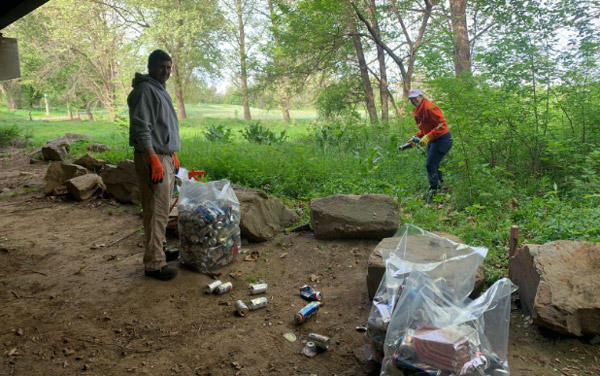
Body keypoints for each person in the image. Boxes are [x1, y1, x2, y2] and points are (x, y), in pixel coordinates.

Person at [128, 49, 181, 281]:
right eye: (162, 67)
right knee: (155, 211)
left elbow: (163, 127)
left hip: (164, 155)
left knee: (162, 208)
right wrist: (153, 159)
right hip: (153, 157)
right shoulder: (144, 90)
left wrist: (172, 154)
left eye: (169, 67)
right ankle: (154, 264)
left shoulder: (159, 89)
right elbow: (142, 128)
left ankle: (159, 250)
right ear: (151, 67)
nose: (166, 72)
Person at [406, 89, 452, 200]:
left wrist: (428, 136)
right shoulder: (418, 111)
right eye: (411, 99)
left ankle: (433, 193)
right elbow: (425, 129)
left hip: (442, 139)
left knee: (430, 165)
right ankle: (440, 187)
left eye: (415, 97)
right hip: (434, 140)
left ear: (421, 96)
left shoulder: (430, 107)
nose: (413, 100)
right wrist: (416, 138)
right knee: (434, 164)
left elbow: (442, 125)